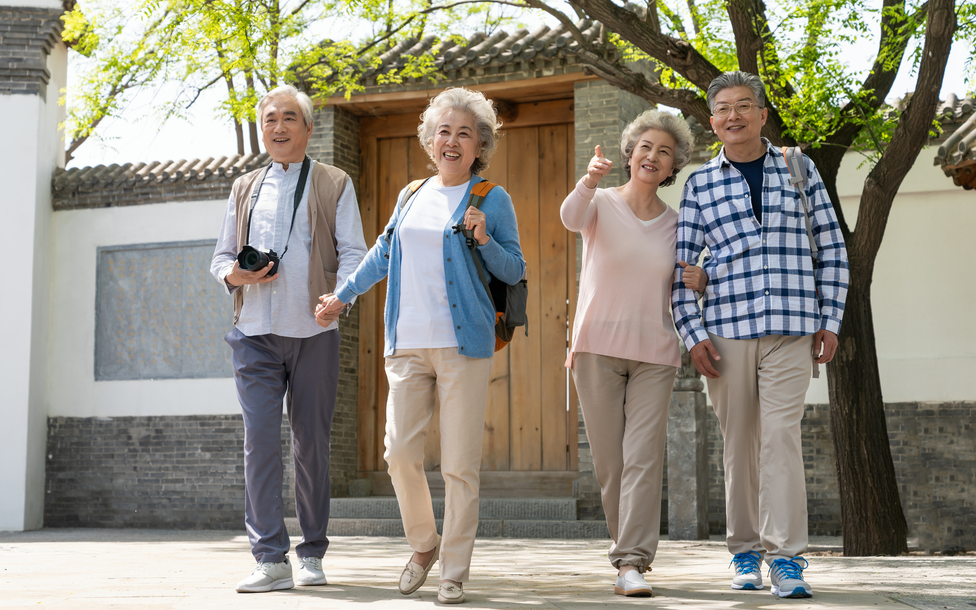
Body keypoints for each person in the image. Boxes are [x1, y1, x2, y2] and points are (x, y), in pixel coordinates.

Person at [315, 87, 525, 605]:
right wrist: (342, 297)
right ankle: (424, 544)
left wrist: (484, 239)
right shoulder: (411, 194)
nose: (451, 140)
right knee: (399, 454)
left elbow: (515, 270)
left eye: (464, 133)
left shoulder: (491, 198)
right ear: (430, 139)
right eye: (443, 131)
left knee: (459, 465)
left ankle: (453, 571)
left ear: (480, 145)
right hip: (406, 344)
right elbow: (383, 252)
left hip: (463, 346)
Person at [671, 71, 849, 598]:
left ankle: (787, 559)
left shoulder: (799, 167)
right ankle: (745, 552)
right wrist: (692, 333)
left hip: (793, 328)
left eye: (744, 106)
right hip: (726, 331)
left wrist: (830, 318)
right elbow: (682, 267)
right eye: (723, 108)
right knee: (739, 445)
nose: (734, 116)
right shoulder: (700, 184)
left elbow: (831, 247)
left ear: (762, 114)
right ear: (712, 122)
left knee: (780, 441)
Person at [209, 85, 368, 593]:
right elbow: (220, 260)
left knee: (311, 445)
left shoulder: (334, 182)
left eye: (289, 119)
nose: (278, 128)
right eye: (270, 120)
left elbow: (354, 251)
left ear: (308, 127)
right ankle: (269, 558)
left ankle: (313, 553)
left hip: (313, 330)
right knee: (260, 444)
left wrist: (340, 298)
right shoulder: (244, 187)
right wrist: (238, 276)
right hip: (253, 333)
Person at [561, 110, 704, 598]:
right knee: (611, 464)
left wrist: (702, 281)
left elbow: (689, 280)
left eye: (664, 152)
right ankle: (627, 554)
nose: (653, 156)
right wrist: (588, 179)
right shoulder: (598, 203)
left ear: (672, 168)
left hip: (655, 354)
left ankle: (631, 562)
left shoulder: (679, 224)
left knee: (643, 457)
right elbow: (568, 218)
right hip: (595, 349)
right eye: (646, 146)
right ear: (629, 154)